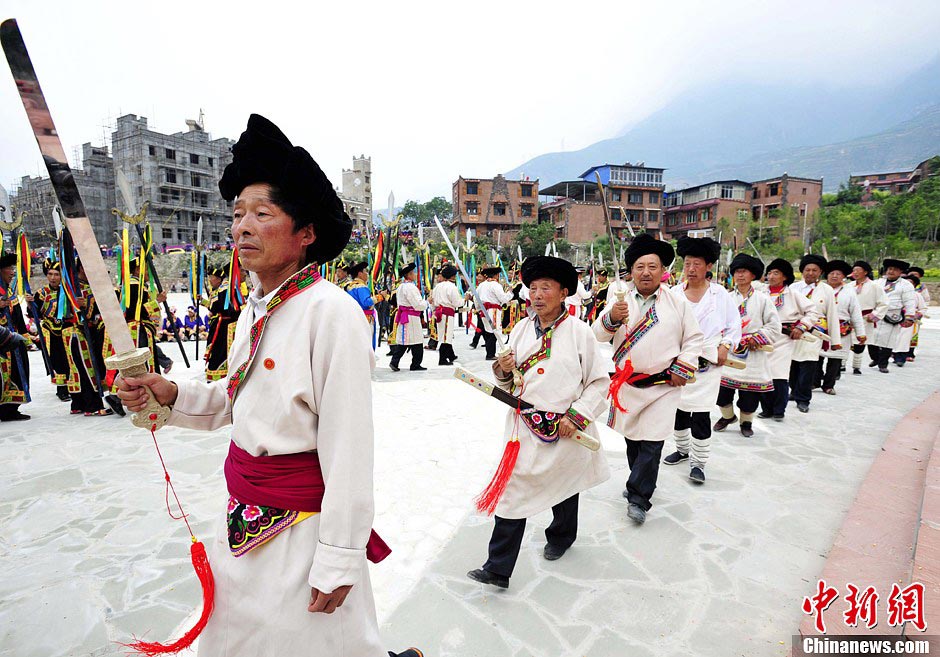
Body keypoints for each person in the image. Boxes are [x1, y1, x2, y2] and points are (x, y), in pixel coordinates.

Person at [115, 114, 419, 657]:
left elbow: (349, 448)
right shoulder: (257, 310)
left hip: (303, 534)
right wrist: (171, 395)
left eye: (262, 213)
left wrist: (340, 555)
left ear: (306, 234)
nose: (242, 227)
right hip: (243, 521)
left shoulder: (331, 313)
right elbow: (239, 401)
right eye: (237, 214)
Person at [467, 256, 610, 588]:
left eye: (546, 287)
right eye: (532, 288)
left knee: (565, 484)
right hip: (524, 428)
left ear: (563, 292)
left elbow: (599, 382)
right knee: (512, 491)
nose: (537, 294)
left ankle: (561, 536)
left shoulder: (580, 332)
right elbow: (508, 383)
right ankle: (497, 568)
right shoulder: (518, 329)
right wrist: (502, 369)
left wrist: (578, 415)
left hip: (566, 429)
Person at [593, 234, 704, 523]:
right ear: (631, 271)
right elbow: (597, 335)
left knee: (653, 442)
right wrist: (611, 319)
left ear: (663, 271)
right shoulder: (618, 299)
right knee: (634, 440)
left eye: (652, 266)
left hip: (662, 385)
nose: (646, 272)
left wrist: (684, 364)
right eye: (640, 266)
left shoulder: (677, 302)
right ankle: (637, 482)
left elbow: (693, 338)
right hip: (628, 385)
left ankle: (639, 497)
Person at [663, 237, 739, 484]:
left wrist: (726, 346)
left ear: (708, 266)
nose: (691, 269)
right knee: (678, 412)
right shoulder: (673, 294)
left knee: (701, 415)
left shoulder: (720, 295)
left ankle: (699, 462)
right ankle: (682, 449)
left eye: (697, 264)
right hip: (679, 364)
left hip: (708, 366)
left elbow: (732, 326)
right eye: (687, 263)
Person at [714, 254, 781, 438]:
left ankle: (746, 422)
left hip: (754, 352)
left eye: (744, 271)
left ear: (753, 275)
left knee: (749, 395)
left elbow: (774, 325)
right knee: (721, 394)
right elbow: (717, 323)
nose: (740, 275)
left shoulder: (763, 299)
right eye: (737, 271)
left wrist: (758, 337)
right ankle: (727, 417)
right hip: (729, 351)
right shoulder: (725, 298)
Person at [758, 258, 818, 420]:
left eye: (776, 273)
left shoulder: (793, 294)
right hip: (763, 337)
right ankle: (766, 408)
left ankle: (779, 410)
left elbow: (813, 311)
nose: (771, 276)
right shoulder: (760, 293)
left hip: (783, 338)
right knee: (763, 374)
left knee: (779, 374)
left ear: (785, 277)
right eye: (769, 273)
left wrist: (802, 326)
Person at [788, 255, 840, 413]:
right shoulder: (793, 288)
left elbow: (832, 314)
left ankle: (804, 398)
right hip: (794, 331)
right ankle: (794, 390)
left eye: (814, 270)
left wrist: (835, 340)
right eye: (807, 270)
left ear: (820, 272)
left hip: (815, 333)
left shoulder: (827, 290)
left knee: (808, 364)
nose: (810, 273)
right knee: (793, 364)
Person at [818, 260, 866, 394]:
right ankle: (814, 381)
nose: (834, 276)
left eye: (838, 274)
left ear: (843, 276)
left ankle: (828, 385)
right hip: (821, 329)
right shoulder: (819, 289)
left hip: (841, 330)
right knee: (816, 357)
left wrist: (860, 333)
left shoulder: (849, 292)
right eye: (831, 273)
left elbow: (856, 313)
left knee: (835, 359)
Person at [868, 259, 918, 373]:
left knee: (887, 341)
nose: (891, 271)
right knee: (871, 339)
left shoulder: (906, 285)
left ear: (900, 272)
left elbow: (910, 301)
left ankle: (883, 364)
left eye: (895, 270)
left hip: (892, 315)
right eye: (890, 269)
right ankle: (875, 358)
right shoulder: (877, 282)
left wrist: (910, 317)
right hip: (876, 313)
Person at [0, 253, 31, 421]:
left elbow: (18, 314)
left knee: (19, 372)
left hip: (14, 339)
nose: (12, 273)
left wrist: (25, 335)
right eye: (9, 269)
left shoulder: (9, 290)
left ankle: (11, 408)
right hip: (2, 342)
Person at [35, 259, 71, 401]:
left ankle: (72, 385)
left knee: (69, 358)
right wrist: (31, 303)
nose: (53, 278)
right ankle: (61, 389)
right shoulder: (41, 293)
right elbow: (34, 314)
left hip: (66, 329)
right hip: (50, 331)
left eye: (56, 274)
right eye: (50, 274)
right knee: (56, 360)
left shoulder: (68, 292)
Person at [203, 265, 243, 382]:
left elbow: (214, 308)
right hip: (225, 328)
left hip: (224, 325)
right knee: (221, 353)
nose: (210, 280)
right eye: (242, 271)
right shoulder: (226, 288)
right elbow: (219, 308)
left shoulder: (227, 288)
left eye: (212, 277)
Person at [849, 260, 887, 375]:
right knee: (845, 342)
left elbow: (884, 303)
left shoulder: (875, 286)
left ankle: (856, 366)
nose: (855, 273)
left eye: (858, 270)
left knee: (860, 343)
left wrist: (875, 315)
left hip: (865, 318)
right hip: (848, 319)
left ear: (865, 272)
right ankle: (841, 364)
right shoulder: (848, 286)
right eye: (854, 270)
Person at [388, 263, 428, 372]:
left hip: (404, 315)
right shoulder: (411, 287)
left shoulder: (401, 286)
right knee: (417, 341)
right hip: (411, 317)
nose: (415, 274)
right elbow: (418, 305)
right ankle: (415, 364)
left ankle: (394, 361)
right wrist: (427, 303)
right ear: (409, 275)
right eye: (413, 273)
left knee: (404, 341)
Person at [477, 266, 511, 360]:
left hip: (483, 310)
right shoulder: (495, 285)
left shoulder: (481, 285)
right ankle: (498, 352)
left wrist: (478, 309)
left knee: (488, 331)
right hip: (493, 311)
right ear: (496, 275)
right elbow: (503, 299)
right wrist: (510, 293)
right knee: (495, 331)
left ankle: (490, 353)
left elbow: (476, 298)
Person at [893, 273, 927, 365]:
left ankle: (901, 358)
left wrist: (917, 315)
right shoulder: (896, 294)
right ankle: (894, 355)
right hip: (896, 319)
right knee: (895, 338)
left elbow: (923, 308)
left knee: (905, 339)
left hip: (909, 320)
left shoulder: (917, 295)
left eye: (911, 283)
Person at [431, 264, 462, 365]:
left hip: (439, 311)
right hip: (447, 313)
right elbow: (457, 302)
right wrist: (464, 300)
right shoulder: (452, 287)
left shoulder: (438, 287)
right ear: (453, 276)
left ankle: (450, 355)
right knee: (446, 336)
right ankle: (442, 359)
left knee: (444, 334)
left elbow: (433, 301)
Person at [346, 261, 380, 349]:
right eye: (365, 271)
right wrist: (380, 297)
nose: (367, 274)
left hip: (354, 316)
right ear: (360, 274)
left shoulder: (348, 286)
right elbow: (366, 302)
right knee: (366, 341)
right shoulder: (361, 286)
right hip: (365, 318)